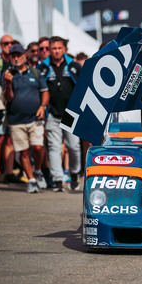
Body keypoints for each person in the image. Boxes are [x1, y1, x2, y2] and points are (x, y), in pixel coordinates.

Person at [38, 36, 82, 191]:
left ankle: (75, 174)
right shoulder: (43, 68)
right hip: (52, 114)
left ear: (64, 49)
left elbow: (82, 89)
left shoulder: (74, 66)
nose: (56, 51)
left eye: (59, 48)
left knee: (74, 146)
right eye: (53, 48)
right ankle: (57, 180)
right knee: (54, 147)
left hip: (71, 114)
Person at [3, 44, 49, 193]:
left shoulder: (35, 72)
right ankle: (31, 179)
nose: (16, 58)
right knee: (23, 152)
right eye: (13, 56)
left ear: (25, 55)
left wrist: (43, 106)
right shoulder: (8, 74)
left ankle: (37, 170)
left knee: (38, 147)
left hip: (35, 117)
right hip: (16, 120)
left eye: (18, 55)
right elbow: (8, 98)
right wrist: (8, 84)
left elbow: (45, 92)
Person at [0, 35, 17, 183]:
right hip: (1, 104)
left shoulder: (15, 60)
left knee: (10, 139)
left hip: (13, 103)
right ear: (0, 45)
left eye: (12, 43)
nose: (9, 45)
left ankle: (9, 171)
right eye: (6, 43)